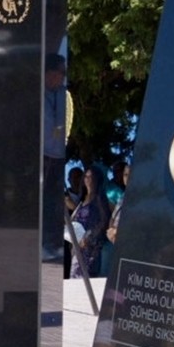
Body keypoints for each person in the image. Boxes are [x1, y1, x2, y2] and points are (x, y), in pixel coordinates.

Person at [42, 53, 68, 262]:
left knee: (54, 202)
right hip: (43, 157)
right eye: (62, 72)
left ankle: (52, 243)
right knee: (45, 202)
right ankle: (44, 244)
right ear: (50, 73)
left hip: (58, 156)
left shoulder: (63, 94)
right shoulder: (38, 95)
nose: (64, 77)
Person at [69, 164, 110, 279]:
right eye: (86, 176)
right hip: (78, 247)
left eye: (91, 177)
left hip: (91, 248)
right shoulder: (82, 200)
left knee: (85, 281)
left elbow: (104, 221)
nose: (88, 179)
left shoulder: (100, 198)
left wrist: (89, 237)